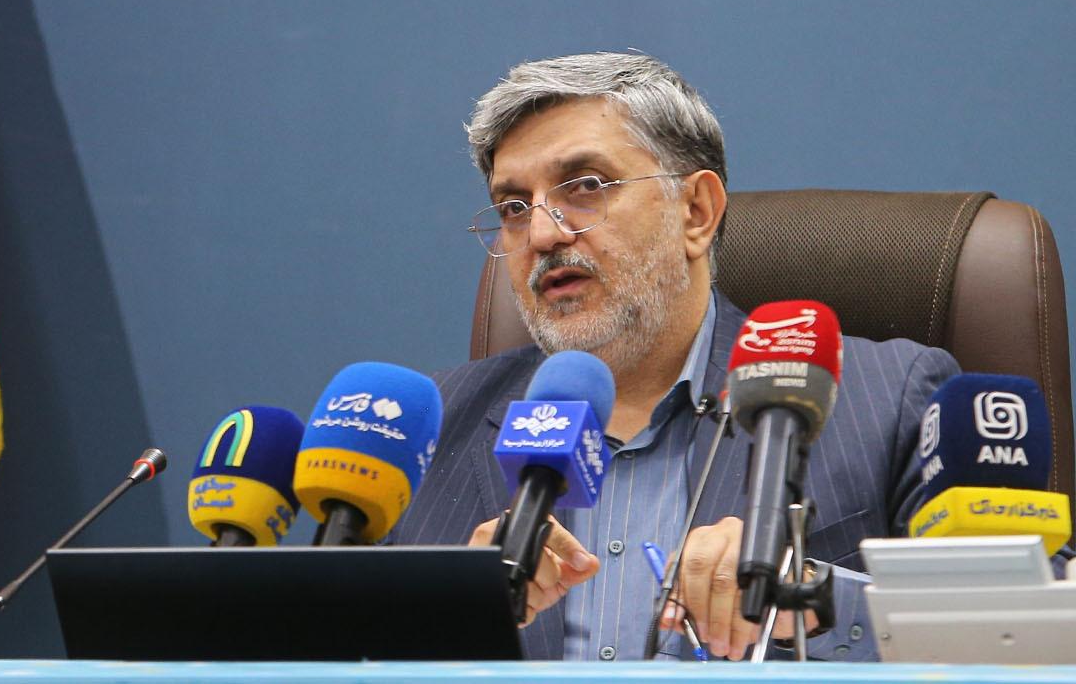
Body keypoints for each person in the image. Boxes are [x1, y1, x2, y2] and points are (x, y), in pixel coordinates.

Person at [388, 52, 954, 662]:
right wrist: (448, 615)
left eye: (586, 187)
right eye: (513, 208)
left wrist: (814, 598)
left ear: (696, 212)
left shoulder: (888, 399)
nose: (543, 234)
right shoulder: (424, 432)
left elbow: (1005, 631)